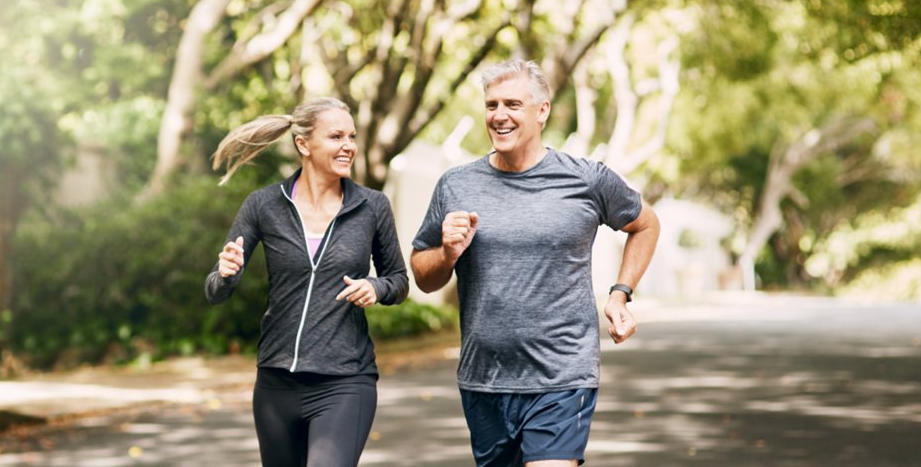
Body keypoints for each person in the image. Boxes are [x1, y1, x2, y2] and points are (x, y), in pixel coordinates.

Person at [409, 59, 660, 466]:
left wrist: (620, 295)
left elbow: (645, 224)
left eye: (512, 104)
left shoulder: (586, 179)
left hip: (562, 374)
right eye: (492, 105)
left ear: (542, 110)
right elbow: (423, 275)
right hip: (484, 379)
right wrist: (447, 252)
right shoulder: (456, 185)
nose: (499, 116)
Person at [204, 97, 409, 467]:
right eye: (336, 137)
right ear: (304, 145)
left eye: (351, 136)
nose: (348, 145)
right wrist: (226, 274)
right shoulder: (263, 205)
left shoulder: (371, 206)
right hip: (275, 383)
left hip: (345, 380)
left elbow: (398, 281)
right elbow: (215, 290)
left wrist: (376, 288)